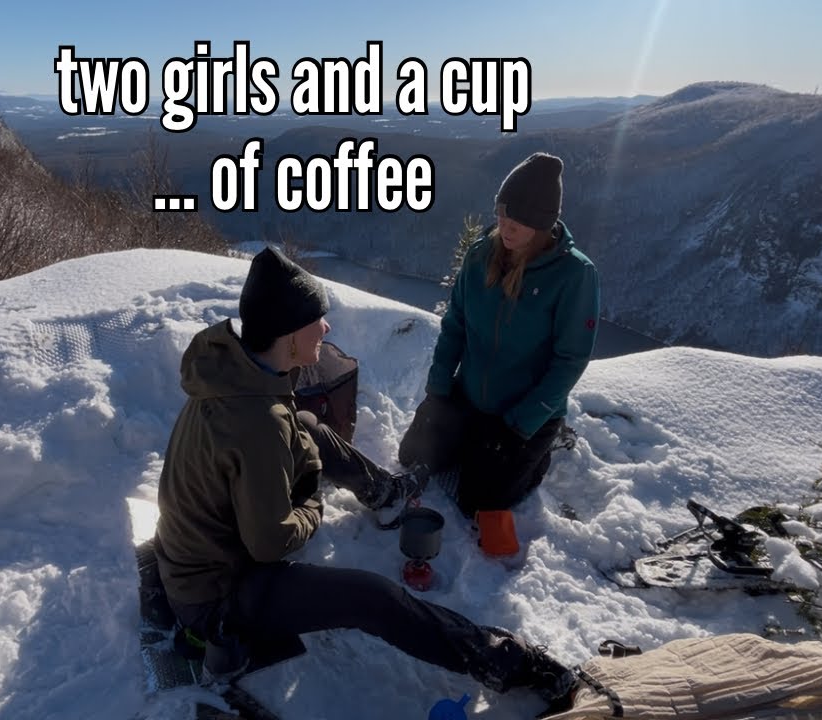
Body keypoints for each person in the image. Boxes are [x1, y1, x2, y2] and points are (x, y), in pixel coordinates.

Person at [152, 246, 577, 710]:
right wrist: (311, 502)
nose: (327, 328)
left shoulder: (233, 371)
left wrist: (300, 459)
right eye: (317, 320)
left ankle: (385, 494)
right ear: (290, 336)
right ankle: (501, 659)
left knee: (308, 426)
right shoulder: (258, 424)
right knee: (370, 598)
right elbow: (270, 544)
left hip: (194, 558)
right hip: (216, 597)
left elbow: (278, 433)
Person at [399, 152, 600, 556]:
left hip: (522, 415)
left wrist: (521, 425)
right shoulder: (480, 256)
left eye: (517, 221)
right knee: (413, 457)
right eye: (502, 214)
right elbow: (455, 324)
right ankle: (475, 440)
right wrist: (438, 390)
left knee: (478, 499)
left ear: (542, 224)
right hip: (471, 395)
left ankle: (538, 455)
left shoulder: (574, 275)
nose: (504, 227)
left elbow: (570, 361)